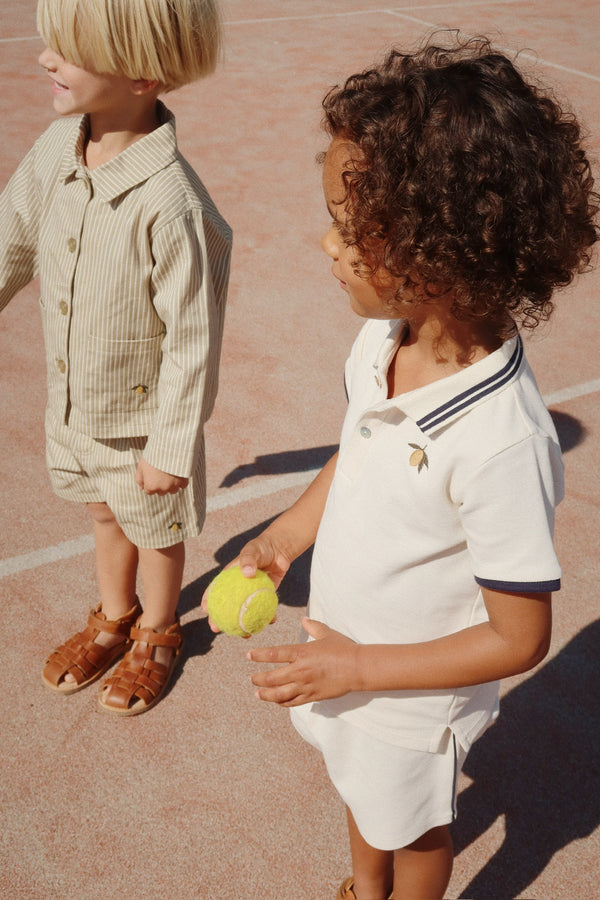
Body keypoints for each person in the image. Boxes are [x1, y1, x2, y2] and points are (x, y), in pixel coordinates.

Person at [204, 36, 598, 899]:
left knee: (415, 823)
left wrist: (360, 671)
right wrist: (287, 534)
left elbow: (520, 637)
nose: (326, 243)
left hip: (409, 694)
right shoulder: (387, 338)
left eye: (352, 229)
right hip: (344, 651)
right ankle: (362, 886)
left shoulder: (502, 441)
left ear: (442, 254)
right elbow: (362, 449)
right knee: (361, 792)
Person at [0, 0, 232, 716]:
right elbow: (12, 234)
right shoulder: (55, 148)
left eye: (67, 50)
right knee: (104, 514)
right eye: (50, 44)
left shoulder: (172, 204)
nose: (45, 60)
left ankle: (159, 633)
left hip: (139, 424)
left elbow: (194, 336)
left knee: (155, 529)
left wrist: (170, 445)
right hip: (76, 405)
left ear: (144, 74)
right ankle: (114, 614)